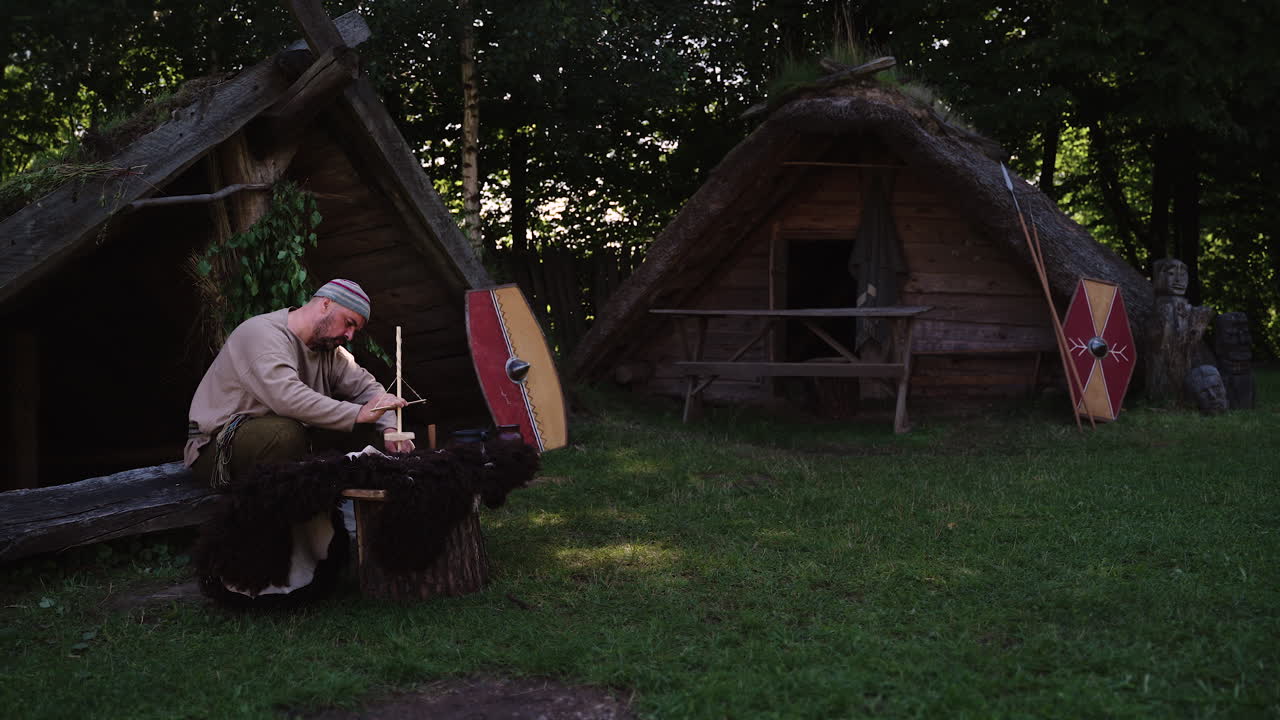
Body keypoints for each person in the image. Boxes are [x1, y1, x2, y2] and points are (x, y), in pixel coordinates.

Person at [185, 278, 413, 489]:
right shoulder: (261, 334)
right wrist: (357, 413)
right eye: (348, 323)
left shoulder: (331, 352)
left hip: (281, 441)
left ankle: (331, 518)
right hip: (216, 447)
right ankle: (283, 522)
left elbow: (368, 389)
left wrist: (390, 429)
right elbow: (288, 398)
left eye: (355, 330)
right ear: (325, 304)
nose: (350, 335)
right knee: (283, 434)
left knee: (370, 432)